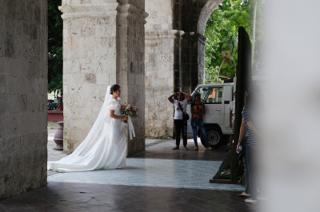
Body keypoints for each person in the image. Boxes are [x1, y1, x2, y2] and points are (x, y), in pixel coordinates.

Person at [48, 84, 130, 172]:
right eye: (118, 91)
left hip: (117, 124)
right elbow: (111, 115)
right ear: (113, 91)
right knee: (113, 142)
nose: (120, 92)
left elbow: (119, 109)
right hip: (113, 125)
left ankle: (114, 161)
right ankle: (110, 161)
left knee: (116, 142)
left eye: (120, 91)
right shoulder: (111, 102)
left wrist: (127, 109)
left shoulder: (117, 100)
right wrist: (122, 117)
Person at [236, 92, 258, 203]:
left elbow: (245, 126)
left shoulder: (246, 110)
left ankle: (254, 196)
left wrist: (239, 142)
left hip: (252, 143)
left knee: (251, 169)